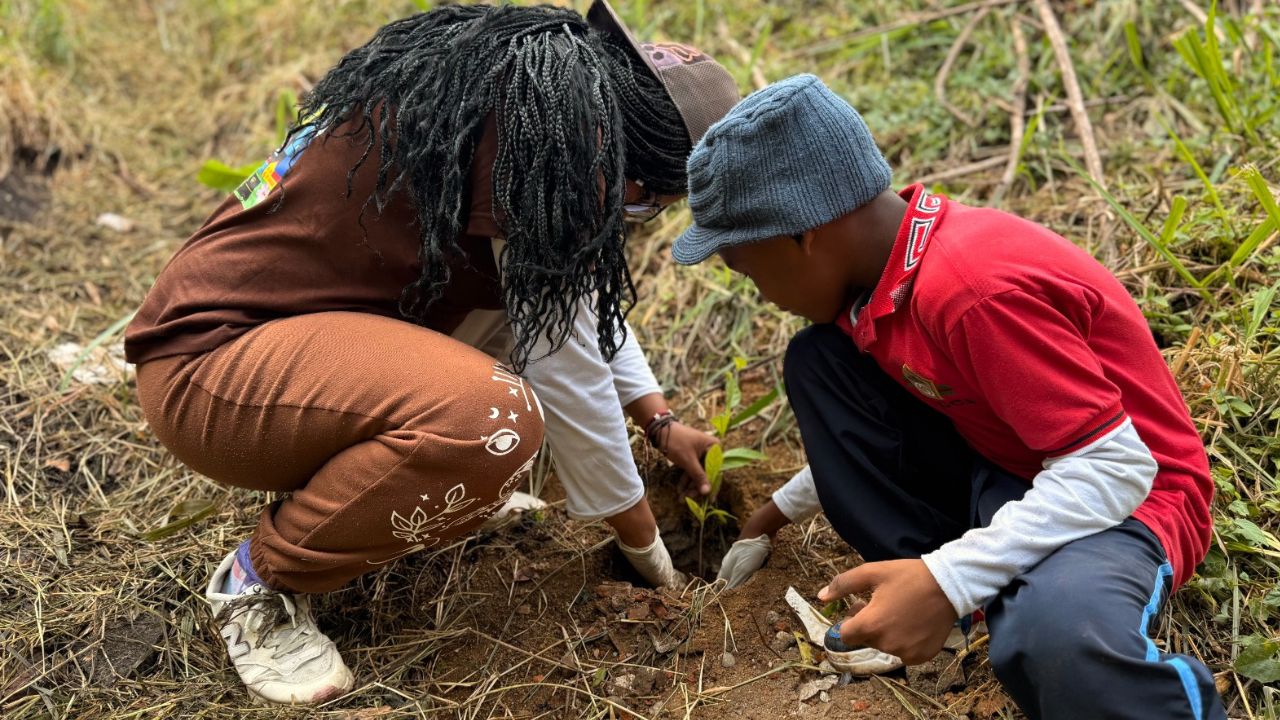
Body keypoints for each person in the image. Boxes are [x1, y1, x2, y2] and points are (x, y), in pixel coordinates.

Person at [126, 2, 739, 705]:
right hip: (212, 374)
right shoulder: (541, 147)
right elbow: (567, 363)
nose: (640, 215)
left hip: (292, 340)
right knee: (494, 422)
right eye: (652, 201)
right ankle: (257, 580)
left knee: (510, 349)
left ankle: (398, 480)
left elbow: (567, 301)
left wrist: (657, 419)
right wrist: (647, 550)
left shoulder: (532, 112)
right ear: (636, 166)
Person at [679, 74, 1225, 720]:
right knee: (818, 364)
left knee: (1053, 636)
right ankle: (949, 609)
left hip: (1128, 496)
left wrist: (948, 578)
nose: (761, 293)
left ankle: (964, 602)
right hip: (1013, 458)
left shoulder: (969, 292)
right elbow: (920, 408)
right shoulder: (884, 279)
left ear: (804, 236)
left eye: (747, 269)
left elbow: (1117, 467)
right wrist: (772, 512)